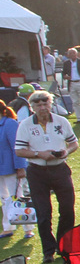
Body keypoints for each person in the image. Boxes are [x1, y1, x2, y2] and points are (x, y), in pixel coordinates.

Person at [14, 91, 77, 263]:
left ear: (50, 104)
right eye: (38, 105)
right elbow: (19, 150)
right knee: (43, 212)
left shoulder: (61, 121)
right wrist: (38, 154)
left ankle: (65, 247)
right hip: (37, 171)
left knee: (67, 209)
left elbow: (73, 143)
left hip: (60, 169)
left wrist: (66, 151)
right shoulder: (26, 125)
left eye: (45, 104)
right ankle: (48, 251)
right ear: (32, 107)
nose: (42, 108)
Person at [0, 103, 30, 240]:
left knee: (17, 197)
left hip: (10, 167)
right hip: (2, 169)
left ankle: (27, 228)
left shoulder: (10, 124)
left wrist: (20, 167)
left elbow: (17, 147)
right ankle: (7, 227)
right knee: (4, 198)